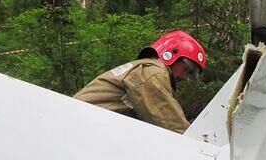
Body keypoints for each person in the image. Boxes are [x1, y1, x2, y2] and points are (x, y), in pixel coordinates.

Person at [74, 31, 206, 134]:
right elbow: (169, 123)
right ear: (171, 55)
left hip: (79, 124)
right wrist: (198, 145)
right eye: (185, 70)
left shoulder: (145, 68)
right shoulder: (153, 72)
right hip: (75, 125)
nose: (184, 77)